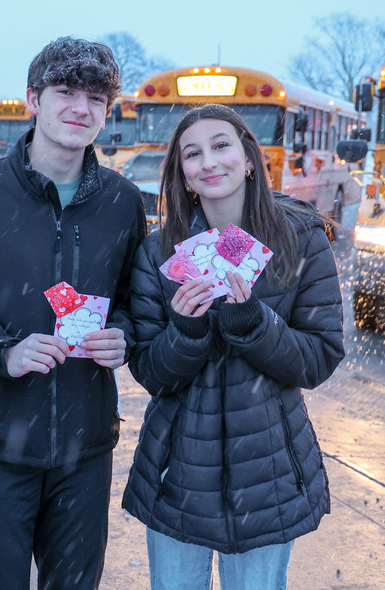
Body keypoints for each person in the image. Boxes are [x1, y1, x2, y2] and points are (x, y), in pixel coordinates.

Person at [0, 37, 147, 589]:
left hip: (85, 443)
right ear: (33, 100)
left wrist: (124, 335)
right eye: (65, 91)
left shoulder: (122, 202)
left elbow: (136, 303)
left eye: (96, 98)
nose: (81, 108)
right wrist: (3, 352)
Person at [121, 104, 345, 589]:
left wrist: (255, 324)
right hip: (177, 472)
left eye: (221, 145)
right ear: (182, 174)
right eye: (192, 154)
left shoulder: (301, 237)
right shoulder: (158, 252)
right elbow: (150, 372)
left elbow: (319, 358)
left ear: (248, 159)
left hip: (269, 473)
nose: (209, 162)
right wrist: (186, 331)